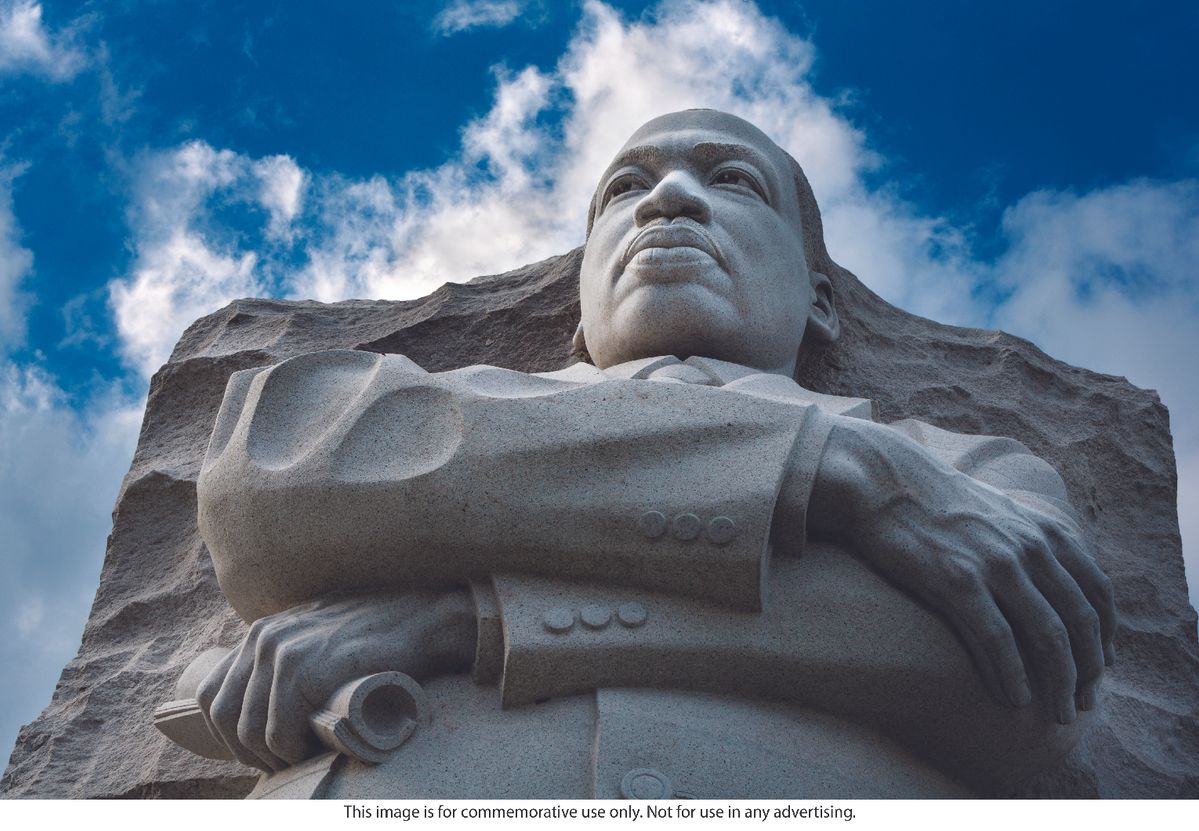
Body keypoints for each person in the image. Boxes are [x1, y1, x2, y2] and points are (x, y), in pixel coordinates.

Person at [193, 110, 1115, 797]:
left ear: (821, 303)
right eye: (624, 190)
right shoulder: (434, 401)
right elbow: (267, 480)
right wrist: (828, 466)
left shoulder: (968, 469)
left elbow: (1028, 683)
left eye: (733, 180)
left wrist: (464, 617)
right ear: (578, 312)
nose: (669, 198)